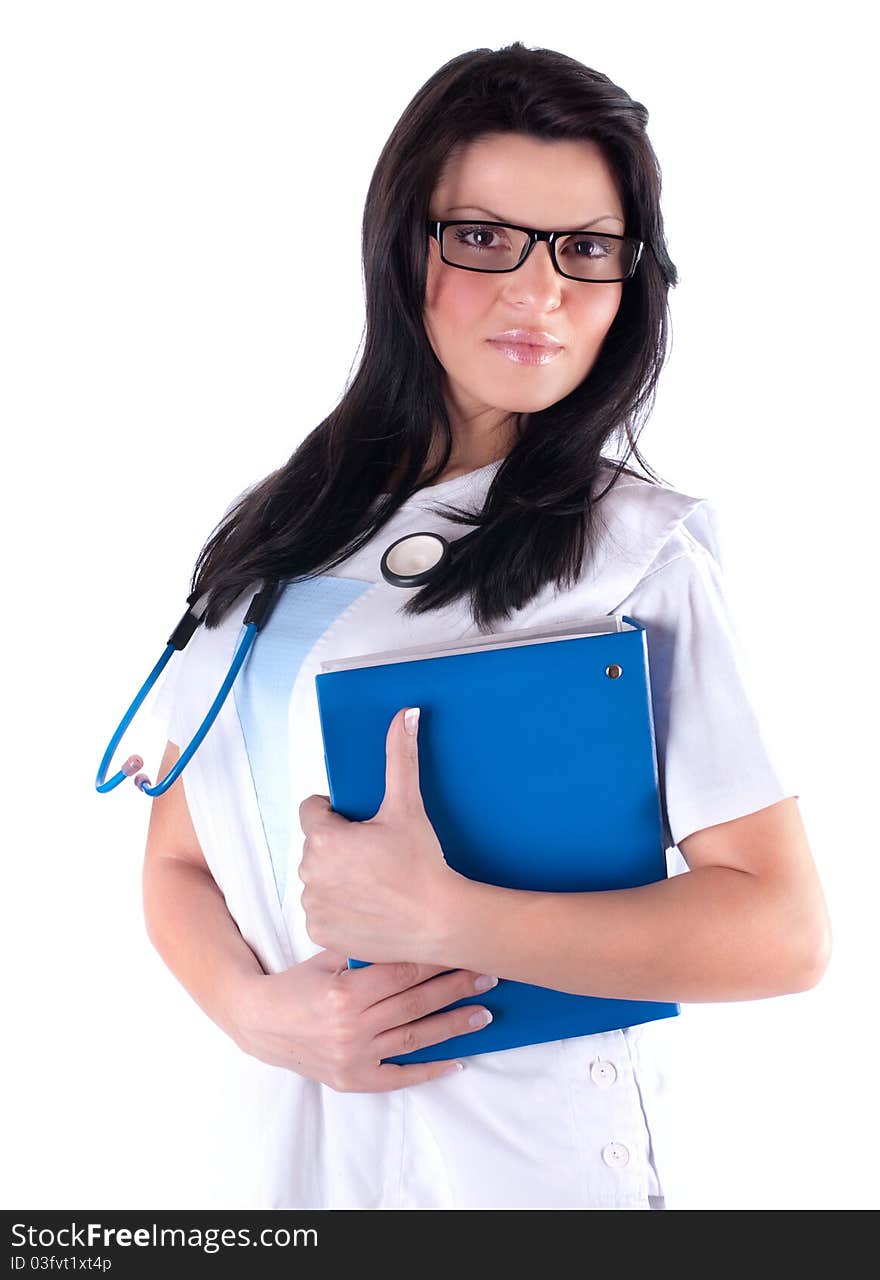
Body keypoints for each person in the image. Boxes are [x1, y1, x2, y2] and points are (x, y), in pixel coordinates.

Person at [143, 42, 831, 1210]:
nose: (539, 290)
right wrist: (259, 1014)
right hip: (288, 1157)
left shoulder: (636, 554)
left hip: (526, 1171)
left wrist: (451, 917)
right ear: (400, 244)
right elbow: (175, 856)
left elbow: (780, 928)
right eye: (482, 236)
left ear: (631, 278)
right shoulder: (273, 530)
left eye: (585, 249)